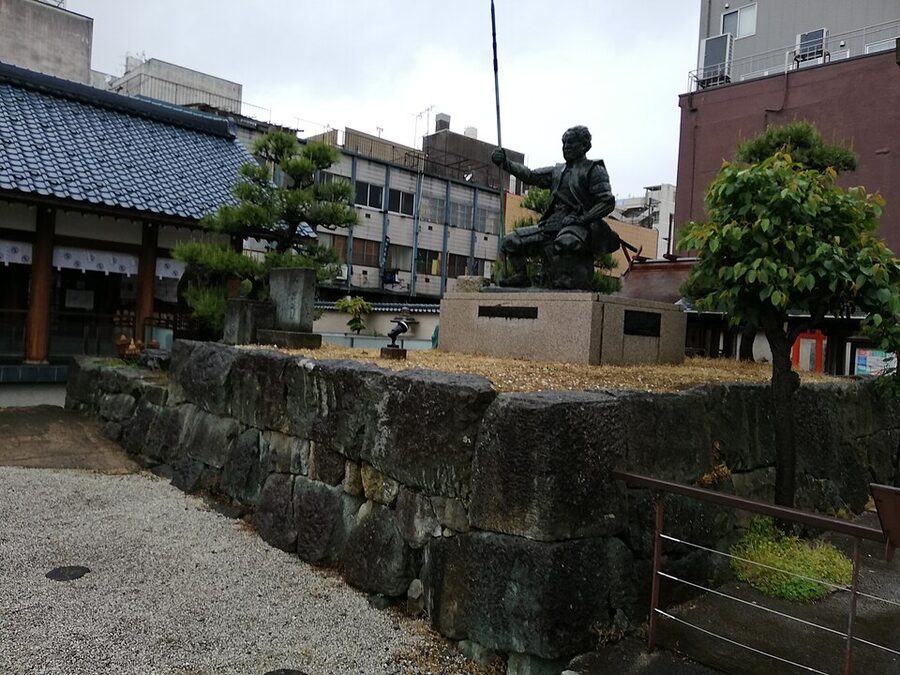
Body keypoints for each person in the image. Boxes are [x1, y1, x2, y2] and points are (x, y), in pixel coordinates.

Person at [491, 125, 619, 289]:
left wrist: (582, 219)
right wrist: (506, 163)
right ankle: (521, 275)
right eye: (564, 143)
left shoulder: (594, 170)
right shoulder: (557, 171)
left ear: (584, 145)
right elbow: (530, 176)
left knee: (566, 242)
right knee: (511, 240)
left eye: (571, 143)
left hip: (579, 226)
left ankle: (567, 278)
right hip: (551, 224)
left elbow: (607, 202)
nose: (566, 147)